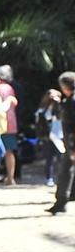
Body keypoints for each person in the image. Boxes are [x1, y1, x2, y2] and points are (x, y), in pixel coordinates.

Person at [49, 72, 73, 214]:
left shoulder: (71, 102)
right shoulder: (69, 101)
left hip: (71, 143)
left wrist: (71, 147)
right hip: (70, 142)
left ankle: (61, 202)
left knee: (65, 172)